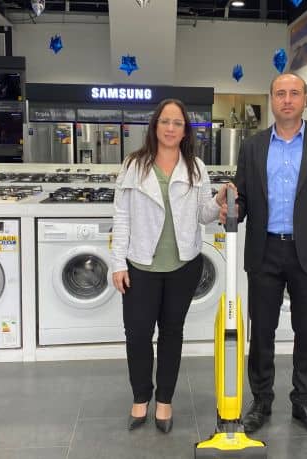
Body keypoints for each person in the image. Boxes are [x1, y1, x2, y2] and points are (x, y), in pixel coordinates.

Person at [231, 72, 307, 438]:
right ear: (271, 99)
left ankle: (303, 402)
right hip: (264, 251)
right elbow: (243, 200)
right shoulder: (252, 146)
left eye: (294, 93)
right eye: (280, 93)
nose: (287, 99)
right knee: (261, 331)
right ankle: (261, 401)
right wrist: (230, 205)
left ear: (305, 100)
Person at [111, 98, 231, 434]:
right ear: (155, 126)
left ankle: (164, 399)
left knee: (171, 333)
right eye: (165, 121)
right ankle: (141, 397)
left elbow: (203, 215)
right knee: (137, 334)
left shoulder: (196, 167)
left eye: (177, 123)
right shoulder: (134, 165)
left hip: (183, 265)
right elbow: (121, 215)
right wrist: (118, 262)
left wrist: (218, 201)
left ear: (185, 130)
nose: (170, 128)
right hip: (140, 264)